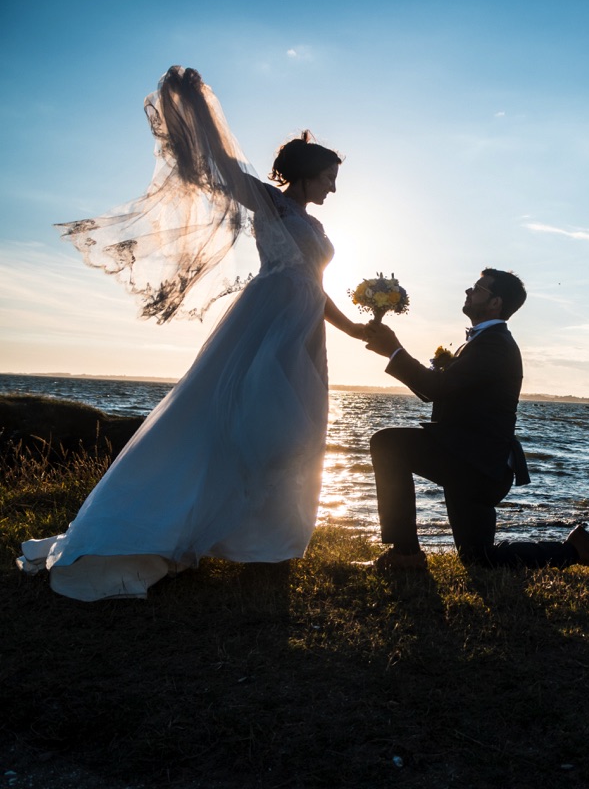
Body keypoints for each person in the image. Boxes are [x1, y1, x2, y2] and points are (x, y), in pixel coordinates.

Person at [18, 67, 366, 601]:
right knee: (249, 426)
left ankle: (265, 542)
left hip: (303, 334)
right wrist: (191, 101)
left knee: (296, 434)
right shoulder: (268, 202)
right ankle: (164, 527)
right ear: (304, 174)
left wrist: (355, 327)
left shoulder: (315, 226)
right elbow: (219, 163)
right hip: (266, 325)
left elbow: (316, 288)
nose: (333, 187)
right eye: (328, 177)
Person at [363, 269, 589, 575]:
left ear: (495, 302)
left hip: (476, 465)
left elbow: (435, 388)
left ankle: (405, 555)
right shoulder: (483, 342)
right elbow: (436, 391)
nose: (468, 292)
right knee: (479, 559)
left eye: (477, 288)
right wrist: (391, 352)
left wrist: (394, 350)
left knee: (388, 443)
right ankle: (575, 550)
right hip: (469, 461)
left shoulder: (494, 345)